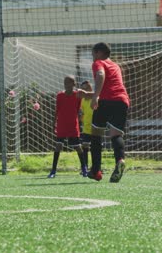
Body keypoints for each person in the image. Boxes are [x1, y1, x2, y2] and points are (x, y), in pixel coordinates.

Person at [78, 42, 130, 183]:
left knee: (96, 135)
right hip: (122, 101)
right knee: (116, 135)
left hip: (106, 102)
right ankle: (120, 160)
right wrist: (89, 94)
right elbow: (110, 87)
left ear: (99, 53)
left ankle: (96, 171)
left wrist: (94, 97)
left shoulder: (99, 63)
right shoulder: (115, 66)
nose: (93, 57)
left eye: (93, 54)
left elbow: (100, 75)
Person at [48, 76, 86, 178]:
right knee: (58, 146)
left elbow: (78, 109)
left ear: (73, 84)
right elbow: (57, 110)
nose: (66, 84)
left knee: (78, 147)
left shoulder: (77, 95)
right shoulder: (59, 95)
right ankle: (53, 171)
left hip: (73, 125)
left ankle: (84, 168)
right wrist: (54, 123)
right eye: (65, 82)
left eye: (69, 82)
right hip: (62, 125)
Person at [79, 80, 93, 177]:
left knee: (96, 148)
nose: (86, 90)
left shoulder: (96, 97)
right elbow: (81, 113)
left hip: (96, 127)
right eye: (84, 88)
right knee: (85, 148)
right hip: (86, 127)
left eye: (87, 87)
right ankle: (85, 168)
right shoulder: (82, 101)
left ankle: (96, 167)